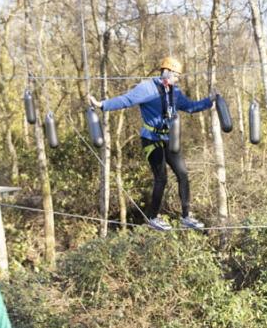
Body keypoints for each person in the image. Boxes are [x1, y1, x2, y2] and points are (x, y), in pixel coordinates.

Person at [88, 56, 214, 231]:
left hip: (169, 138)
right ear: (167, 72)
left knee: (183, 174)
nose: (178, 79)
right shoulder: (146, 88)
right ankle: (153, 217)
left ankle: (186, 216)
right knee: (161, 177)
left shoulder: (175, 92)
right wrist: (101, 105)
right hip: (151, 139)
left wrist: (210, 100)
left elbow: (191, 107)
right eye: (176, 76)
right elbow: (126, 100)